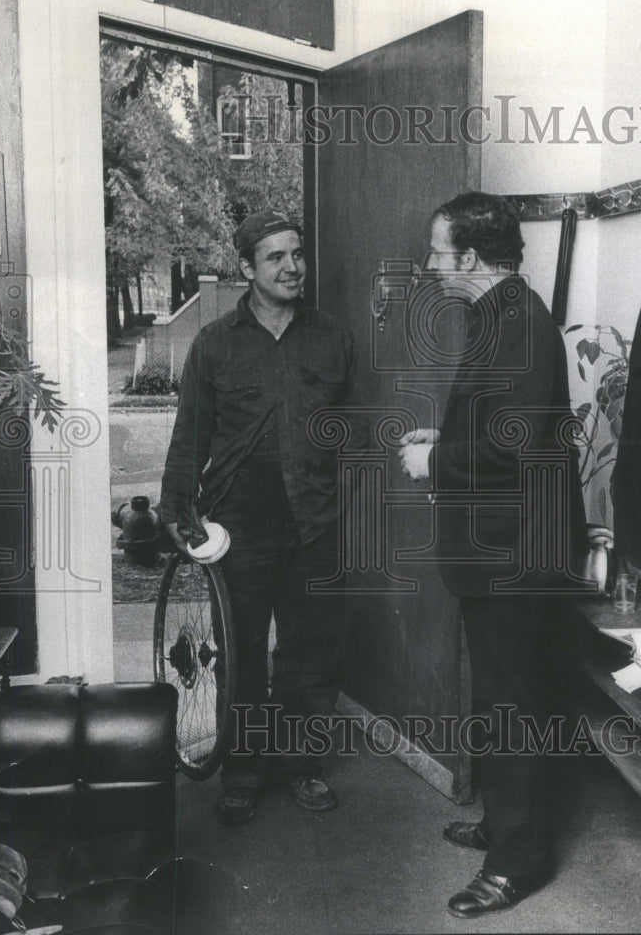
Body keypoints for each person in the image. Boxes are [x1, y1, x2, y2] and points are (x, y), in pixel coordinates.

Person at [399, 192, 588, 918]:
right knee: (500, 695)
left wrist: (433, 462)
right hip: (500, 549)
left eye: (438, 253)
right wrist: (440, 448)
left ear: (470, 258)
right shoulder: (501, 313)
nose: (429, 265)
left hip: (514, 553)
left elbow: (507, 446)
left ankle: (517, 863)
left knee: (514, 703)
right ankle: (505, 824)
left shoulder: (515, 323)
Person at [160, 208, 357, 825]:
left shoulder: (332, 337)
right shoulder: (215, 343)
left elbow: (352, 433)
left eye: (296, 253)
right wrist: (177, 506)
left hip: (315, 523)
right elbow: (190, 435)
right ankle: (242, 769)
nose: (292, 266)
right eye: (275, 257)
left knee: (310, 649)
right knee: (240, 650)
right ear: (247, 268)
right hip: (239, 526)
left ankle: (300, 764)